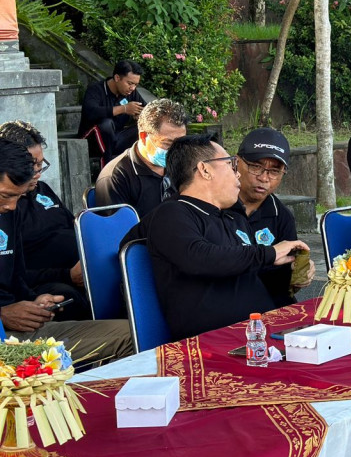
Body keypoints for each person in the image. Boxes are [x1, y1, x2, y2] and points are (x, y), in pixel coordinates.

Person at [124, 135, 309, 340]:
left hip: (262, 329)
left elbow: (247, 264)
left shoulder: (233, 217)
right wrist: (269, 252)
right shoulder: (173, 213)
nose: (238, 174)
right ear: (205, 170)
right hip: (218, 341)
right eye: (231, 165)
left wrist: (291, 268)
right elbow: (198, 257)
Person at [0, 139, 133, 367]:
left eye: (18, 197)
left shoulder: (7, 214)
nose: (12, 206)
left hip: (21, 330)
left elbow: (16, 278)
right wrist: (3, 315)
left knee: (137, 334)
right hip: (7, 337)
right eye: (6, 196)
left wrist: (35, 302)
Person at [0, 121, 89, 319]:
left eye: (41, 164)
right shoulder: (7, 209)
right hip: (52, 281)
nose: (36, 172)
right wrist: (66, 275)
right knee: (70, 298)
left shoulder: (42, 191)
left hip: (76, 271)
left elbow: (72, 227)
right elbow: (20, 273)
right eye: (31, 165)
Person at [233, 127, 315, 307]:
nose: (264, 178)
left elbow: (287, 283)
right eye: (256, 166)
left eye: (274, 171)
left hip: (272, 308)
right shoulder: (217, 208)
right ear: (236, 163)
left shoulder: (282, 215)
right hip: (230, 310)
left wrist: (300, 273)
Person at [95, 98, 188, 217]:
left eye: (180, 143)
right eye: (168, 143)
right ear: (143, 136)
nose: (175, 150)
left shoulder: (182, 165)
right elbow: (120, 232)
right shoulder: (116, 177)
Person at [78, 59, 145, 161]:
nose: (132, 88)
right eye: (130, 83)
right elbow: (90, 112)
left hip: (116, 139)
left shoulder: (131, 93)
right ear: (117, 78)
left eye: (135, 84)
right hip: (92, 141)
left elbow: (147, 109)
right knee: (106, 124)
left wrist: (140, 115)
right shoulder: (96, 89)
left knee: (147, 127)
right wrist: (124, 108)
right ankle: (107, 166)